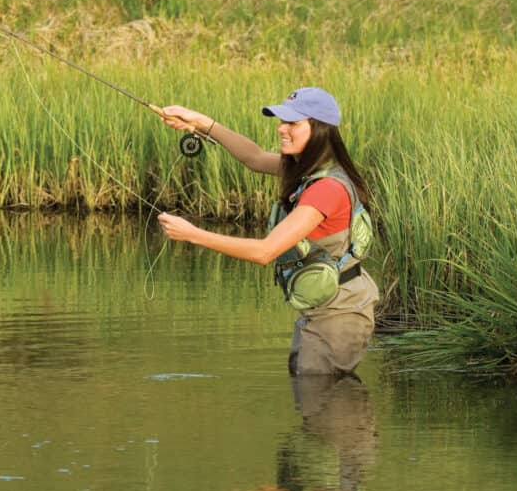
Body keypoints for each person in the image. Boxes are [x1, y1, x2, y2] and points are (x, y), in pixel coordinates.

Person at [157, 88, 379, 376]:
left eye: (293, 123)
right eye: (281, 120)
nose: (281, 128)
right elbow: (254, 157)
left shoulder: (327, 189)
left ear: (320, 130)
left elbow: (265, 252)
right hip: (324, 307)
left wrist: (193, 234)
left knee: (326, 403)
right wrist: (200, 122)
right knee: (313, 399)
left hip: (339, 313)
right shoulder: (309, 171)